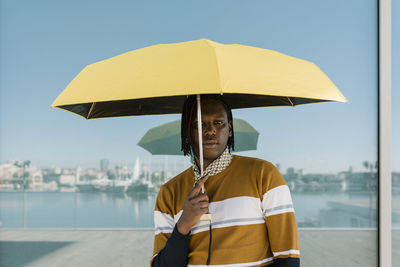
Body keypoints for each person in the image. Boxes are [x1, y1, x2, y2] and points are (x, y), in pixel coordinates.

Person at [151, 95, 300, 267]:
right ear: (187, 133)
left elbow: (288, 259)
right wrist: (183, 225)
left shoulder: (264, 175)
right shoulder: (169, 192)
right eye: (199, 125)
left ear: (229, 129)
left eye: (218, 123)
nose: (209, 131)